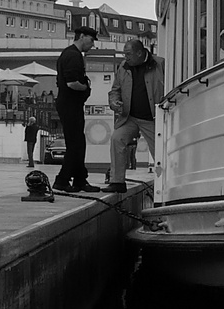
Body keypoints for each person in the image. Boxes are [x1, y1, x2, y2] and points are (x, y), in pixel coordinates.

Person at [107, 39, 165, 192]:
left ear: (139, 53)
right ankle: (117, 182)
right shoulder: (123, 67)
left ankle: (165, 183)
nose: (126, 57)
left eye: (128, 54)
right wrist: (114, 102)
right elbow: (115, 90)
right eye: (124, 54)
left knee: (160, 152)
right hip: (129, 117)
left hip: (152, 118)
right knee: (116, 139)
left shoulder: (160, 64)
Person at [53, 26, 99, 192]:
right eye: (91, 40)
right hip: (70, 104)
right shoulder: (73, 55)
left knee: (78, 142)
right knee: (76, 144)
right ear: (82, 37)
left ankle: (79, 179)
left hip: (69, 104)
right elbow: (72, 83)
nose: (92, 44)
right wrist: (86, 87)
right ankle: (62, 180)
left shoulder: (69, 54)